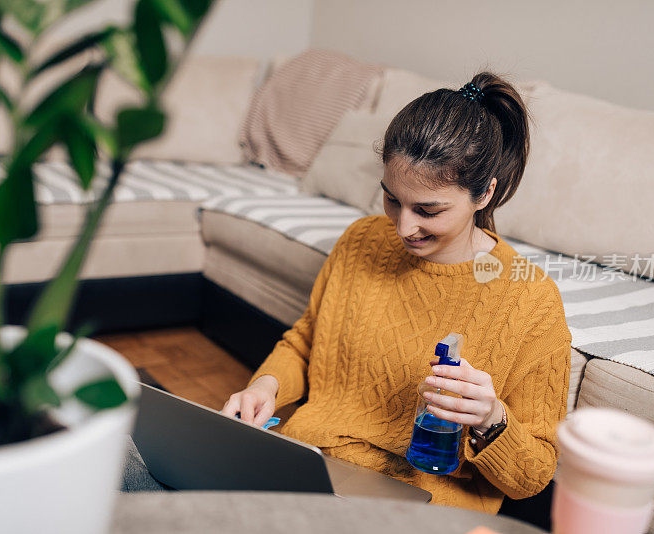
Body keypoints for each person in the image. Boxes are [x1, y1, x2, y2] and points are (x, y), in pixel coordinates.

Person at [220, 72, 572, 514]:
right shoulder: (361, 241)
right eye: (392, 200)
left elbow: (534, 476)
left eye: (429, 210)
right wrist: (265, 387)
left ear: (485, 193)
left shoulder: (530, 301)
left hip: (422, 503)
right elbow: (306, 341)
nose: (404, 228)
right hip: (310, 465)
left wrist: (490, 418)